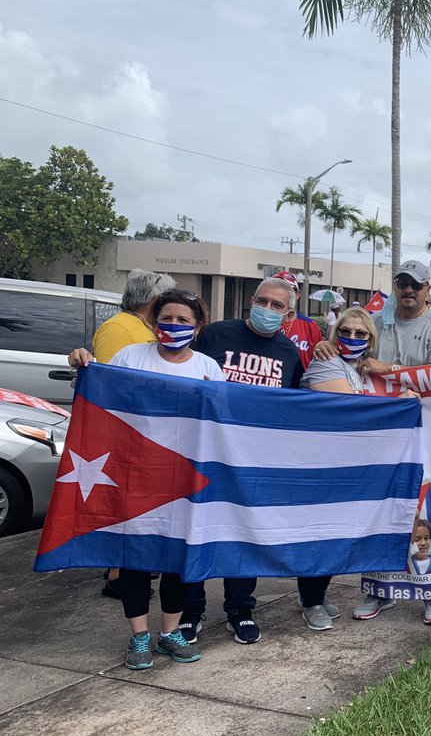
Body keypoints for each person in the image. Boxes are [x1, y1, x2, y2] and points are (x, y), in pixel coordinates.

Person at [68, 289, 222, 669]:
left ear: (198, 326)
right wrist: (82, 363)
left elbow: (221, 423)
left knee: (176, 557)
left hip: (186, 477)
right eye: (165, 318)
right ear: (153, 323)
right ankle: (138, 637)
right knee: (134, 558)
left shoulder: (207, 367)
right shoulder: (130, 357)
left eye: (183, 320)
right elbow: (102, 399)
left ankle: (169, 633)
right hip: (134, 474)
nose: (173, 325)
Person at [183, 276, 304, 645]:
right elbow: (181, 371)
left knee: (243, 532)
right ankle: (190, 611)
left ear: (289, 314)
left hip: (254, 457)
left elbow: (294, 408)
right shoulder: (217, 335)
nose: (267, 309)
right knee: (198, 530)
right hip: (205, 451)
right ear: (250, 301)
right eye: (262, 301)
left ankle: (240, 610)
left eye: (276, 306)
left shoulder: (288, 353)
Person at [352, 260, 431, 625]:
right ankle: (379, 590)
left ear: (429, 289)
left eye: (416, 284)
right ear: (395, 286)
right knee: (381, 509)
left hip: (426, 433)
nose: (408, 290)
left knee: (427, 511)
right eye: (402, 283)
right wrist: (325, 345)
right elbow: (350, 349)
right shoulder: (378, 318)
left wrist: (390, 370)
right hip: (382, 434)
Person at [91, 267, 176, 599]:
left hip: (152, 434)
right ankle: (117, 575)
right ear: (154, 300)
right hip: (129, 433)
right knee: (125, 505)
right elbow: (113, 384)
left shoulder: (142, 328)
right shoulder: (118, 329)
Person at [292, 306, 377, 631]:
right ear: (334, 333)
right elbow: (349, 408)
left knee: (336, 533)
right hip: (318, 463)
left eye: (360, 333)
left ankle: (316, 593)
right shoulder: (326, 360)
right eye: (345, 332)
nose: (352, 338)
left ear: (370, 339)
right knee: (319, 533)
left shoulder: (364, 369)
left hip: (348, 465)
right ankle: (310, 600)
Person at [274, 271, 324, 370]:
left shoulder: (310, 326)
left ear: (297, 294)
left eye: (289, 288)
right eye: (276, 287)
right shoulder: (259, 321)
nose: (282, 292)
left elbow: (317, 361)